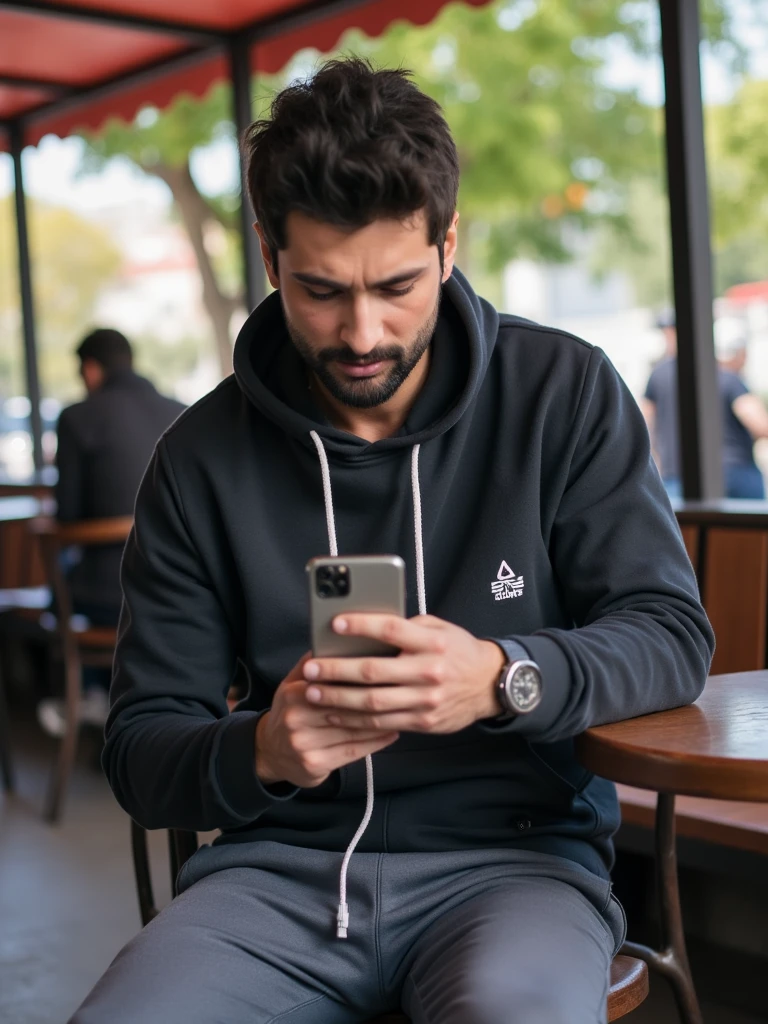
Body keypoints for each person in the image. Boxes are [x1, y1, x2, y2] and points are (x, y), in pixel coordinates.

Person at [72, 60, 713, 1024]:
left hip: (517, 867)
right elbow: (139, 751)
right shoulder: (198, 459)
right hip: (272, 879)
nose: (362, 332)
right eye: (321, 290)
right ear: (268, 254)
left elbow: (672, 637)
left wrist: (503, 676)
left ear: (449, 244)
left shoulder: (562, 394)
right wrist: (265, 751)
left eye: (397, 285)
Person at [37, 328, 184, 738]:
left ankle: (91, 697)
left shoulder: (77, 417)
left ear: (90, 369)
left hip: (108, 598)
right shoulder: (183, 410)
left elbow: (67, 516)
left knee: (67, 582)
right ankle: (114, 703)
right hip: (183, 591)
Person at [641, 313, 768, 499]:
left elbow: (644, 423)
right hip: (733, 472)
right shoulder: (727, 377)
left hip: (675, 474)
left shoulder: (658, 375)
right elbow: (757, 423)